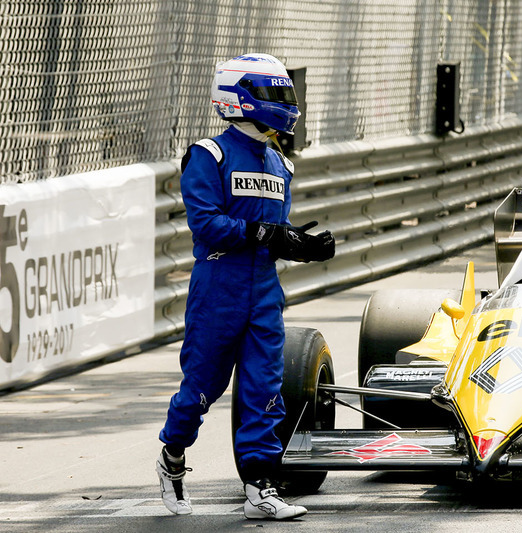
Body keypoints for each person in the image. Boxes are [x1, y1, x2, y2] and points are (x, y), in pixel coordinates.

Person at [155, 53, 335, 520]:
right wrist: (265, 234)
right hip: (218, 288)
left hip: (263, 292)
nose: (284, 105)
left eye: (284, 95)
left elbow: (274, 230)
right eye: (274, 94)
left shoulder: (280, 164)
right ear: (240, 97)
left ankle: (261, 487)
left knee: (265, 388)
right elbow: (207, 225)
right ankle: (172, 457)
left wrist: (301, 243)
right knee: (202, 387)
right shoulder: (207, 155)